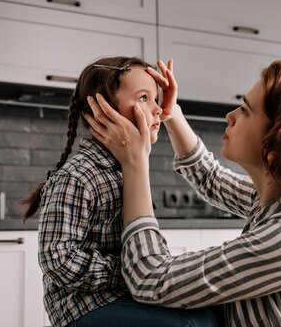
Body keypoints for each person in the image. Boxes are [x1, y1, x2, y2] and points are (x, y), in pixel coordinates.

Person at [85, 58, 281, 327]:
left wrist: (134, 163)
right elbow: (209, 177)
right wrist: (170, 113)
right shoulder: (278, 202)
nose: (230, 115)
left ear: (280, 141)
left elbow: (152, 279)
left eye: (246, 110)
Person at [21, 56, 218, 327]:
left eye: (156, 99)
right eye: (144, 98)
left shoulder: (129, 169)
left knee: (210, 315)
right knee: (190, 325)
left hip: (126, 295)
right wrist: (128, 272)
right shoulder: (78, 176)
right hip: (84, 307)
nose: (158, 110)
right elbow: (58, 260)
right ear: (102, 109)